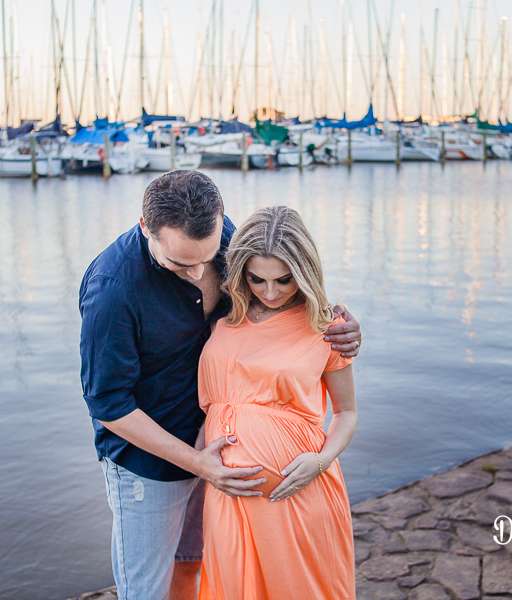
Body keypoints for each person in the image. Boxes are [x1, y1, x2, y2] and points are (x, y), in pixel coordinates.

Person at [78, 171, 362, 600]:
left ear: (222, 220)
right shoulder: (112, 290)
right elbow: (107, 402)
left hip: (220, 454)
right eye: (179, 263)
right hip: (151, 461)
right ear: (145, 227)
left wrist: (341, 326)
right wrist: (198, 463)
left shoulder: (228, 240)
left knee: (193, 565)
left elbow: (282, 281)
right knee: (145, 591)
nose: (197, 272)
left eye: (208, 258)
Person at [197, 205, 358, 600]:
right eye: (258, 279)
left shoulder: (325, 325)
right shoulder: (224, 311)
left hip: (297, 490)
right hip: (228, 493)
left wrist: (319, 462)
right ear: (241, 272)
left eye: (284, 281)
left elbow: (347, 412)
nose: (270, 293)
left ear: (303, 271)